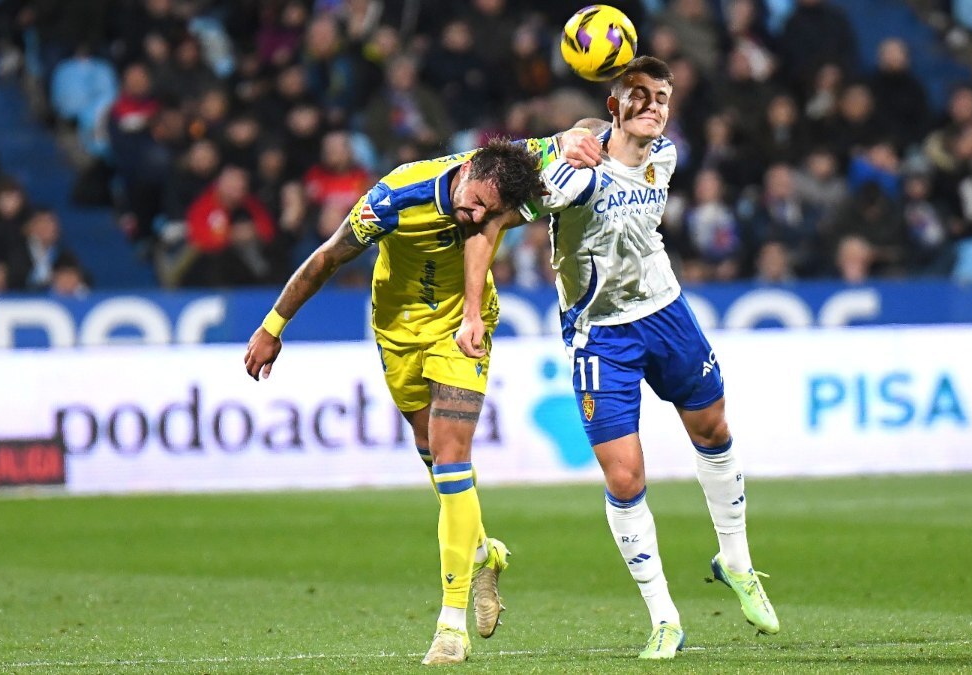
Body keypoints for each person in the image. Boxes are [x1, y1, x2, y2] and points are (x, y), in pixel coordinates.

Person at [457, 56, 778, 661]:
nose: (654, 105)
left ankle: (736, 563)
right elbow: (488, 225)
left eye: (662, 96)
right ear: (614, 107)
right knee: (625, 475)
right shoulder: (576, 176)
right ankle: (665, 619)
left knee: (714, 430)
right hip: (602, 334)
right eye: (639, 95)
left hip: (667, 311)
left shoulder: (668, 156)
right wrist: (472, 312)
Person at [243, 132, 600, 666]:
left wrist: (581, 136)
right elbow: (327, 258)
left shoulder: (507, 176)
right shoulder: (395, 197)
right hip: (397, 331)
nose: (475, 215)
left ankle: (450, 625)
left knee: (453, 458)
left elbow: (589, 128)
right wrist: (274, 326)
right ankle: (483, 553)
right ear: (471, 168)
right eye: (477, 200)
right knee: (430, 450)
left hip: (463, 328)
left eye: (491, 214)